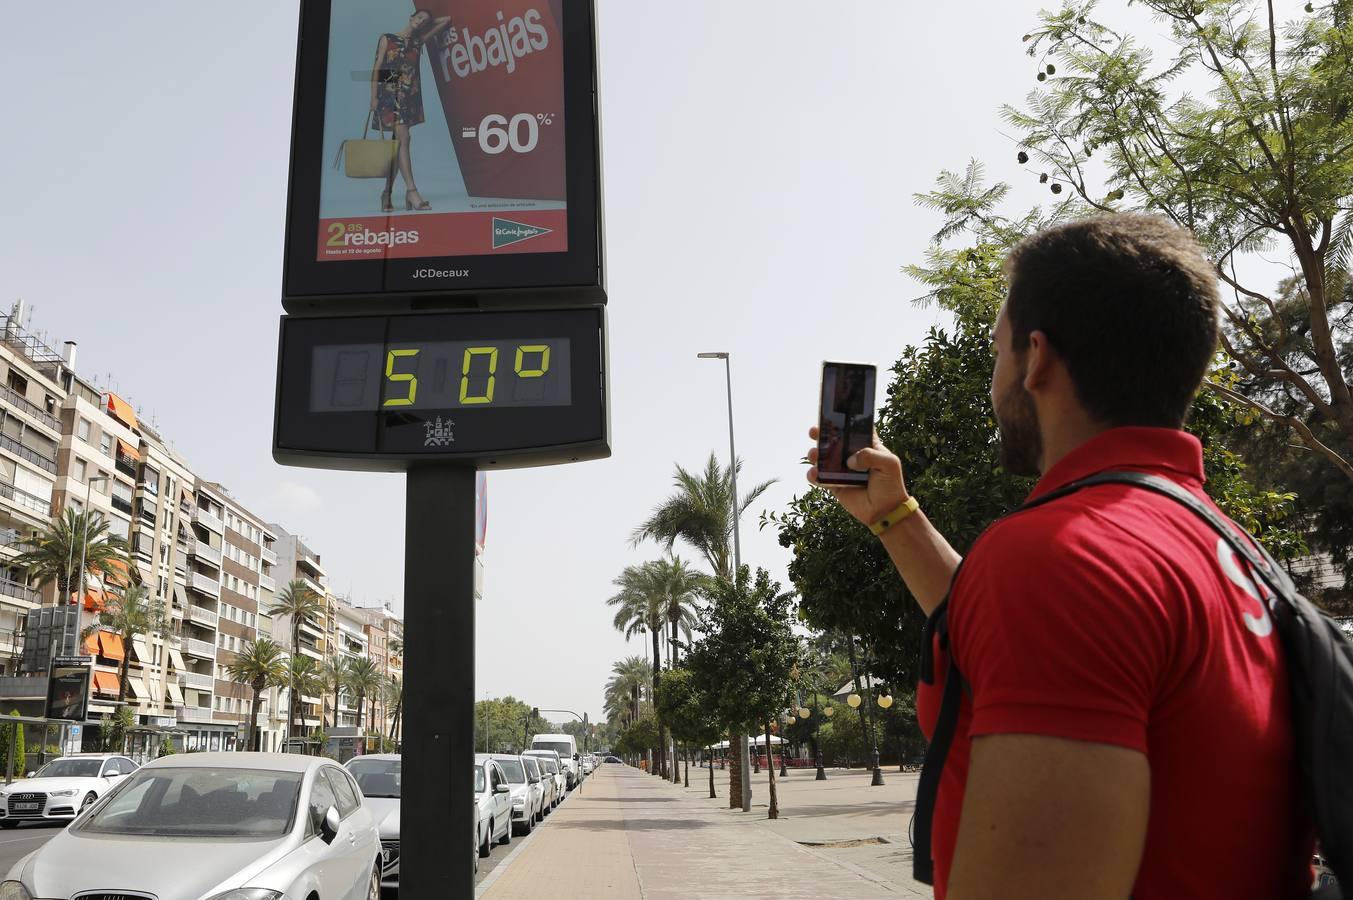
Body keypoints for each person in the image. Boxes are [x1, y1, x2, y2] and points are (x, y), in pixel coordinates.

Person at [807, 215, 1314, 899]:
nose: (994, 383)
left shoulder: (1060, 561)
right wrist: (896, 519)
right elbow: (1017, 638)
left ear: (1035, 359)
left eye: (996, 353)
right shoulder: (1219, 545)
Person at [369, 9, 452, 213]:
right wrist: (373, 97)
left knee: (398, 146)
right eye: (419, 18)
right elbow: (378, 67)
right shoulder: (387, 38)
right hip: (389, 96)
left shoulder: (418, 42)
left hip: (409, 98)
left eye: (424, 21)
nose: (421, 22)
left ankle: (387, 193)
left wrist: (428, 21)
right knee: (404, 140)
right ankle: (412, 191)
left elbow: (446, 20)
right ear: (411, 17)